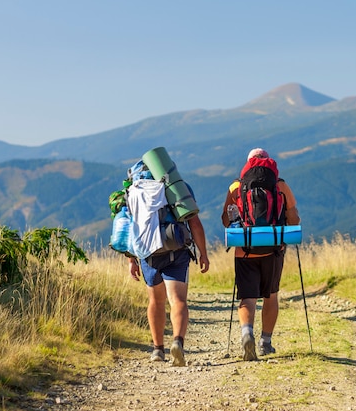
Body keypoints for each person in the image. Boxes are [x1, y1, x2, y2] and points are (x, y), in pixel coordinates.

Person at [221, 148, 300, 361]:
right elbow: (294, 220)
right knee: (271, 295)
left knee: (248, 297)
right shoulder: (280, 185)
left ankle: (247, 333)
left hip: (244, 251)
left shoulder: (236, 186)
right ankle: (266, 342)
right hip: (274, 248)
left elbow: (226, 221)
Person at [128, 200, 210, 366]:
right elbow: (194, 222)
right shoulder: (177, 187)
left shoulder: (135, 190)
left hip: (148, 254)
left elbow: (128, 226)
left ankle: (158, 349)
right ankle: (177, 341)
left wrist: (131, 260)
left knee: (156, 301)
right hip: (176, 249)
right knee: (177, 300)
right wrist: (203, 254)